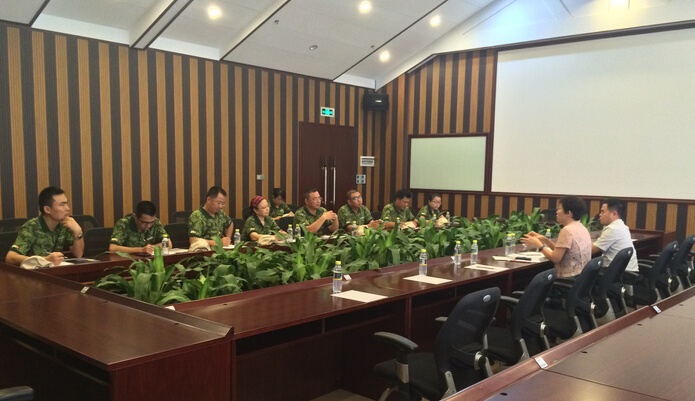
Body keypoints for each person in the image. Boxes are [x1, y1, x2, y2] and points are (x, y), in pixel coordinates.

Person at [5, 187, 84, 266]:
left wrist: (78, 232)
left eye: (66, 203)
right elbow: (10, 257)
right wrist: (44, 260)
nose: (68, 208)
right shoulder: (31, 227)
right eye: (62, 204)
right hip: (34, 271)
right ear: (47, 209)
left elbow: (78, 254)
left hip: (55, 269)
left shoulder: (65, 224)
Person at [521, 196, 591, 278]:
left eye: (560, 209)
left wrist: (538, 244)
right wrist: (545, 240)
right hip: (581, 277)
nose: (557, 212)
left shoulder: (567, 230)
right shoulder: (581, 227)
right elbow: (561, 251)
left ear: (568, 213)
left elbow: (555, 258)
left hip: (568, 279)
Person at [591, 198, 638, 272]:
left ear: (614, 214)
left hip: (618, 273)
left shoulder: (612, 229)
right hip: (626, 271)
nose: (600, 215)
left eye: (603, 212)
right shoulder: (622, 226)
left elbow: (591, 250)